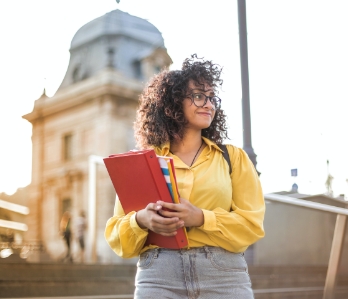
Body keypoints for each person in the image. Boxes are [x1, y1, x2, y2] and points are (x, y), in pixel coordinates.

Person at [105, 54, 265, 298]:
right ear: (173, 102)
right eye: (199, 95)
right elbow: (118, 236)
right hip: (158, 275)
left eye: (212, 98)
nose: (209, 104)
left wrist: (201, 218)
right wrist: (141, 220)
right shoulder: (143, 162)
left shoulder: (233, 158)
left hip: (223, 275)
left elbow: (252, 226)